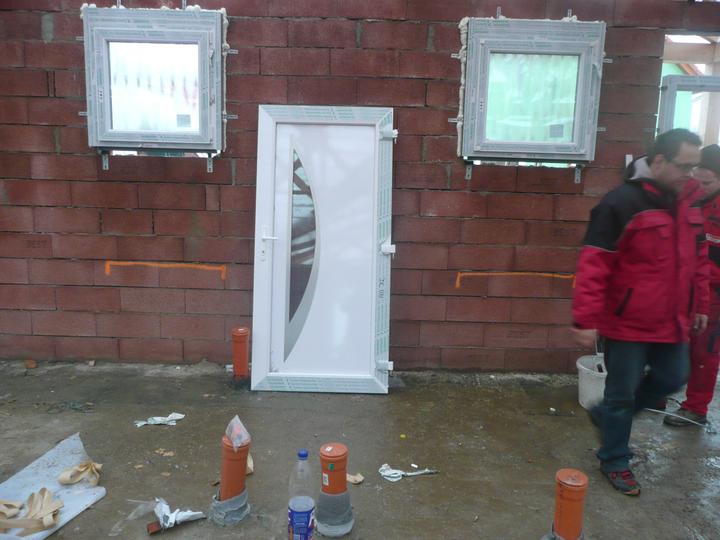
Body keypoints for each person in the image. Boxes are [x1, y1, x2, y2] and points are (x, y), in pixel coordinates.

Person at [571, 128, 708, 496]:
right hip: (627, 323)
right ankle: (615, 459)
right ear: (659, 161)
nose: (690, 175)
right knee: (622, 394)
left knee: (673, 377)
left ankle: (604, 417)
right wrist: (585, 319)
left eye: (694, 167)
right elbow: (593, 264)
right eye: (684, 166)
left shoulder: (689, 202)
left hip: (673, 320)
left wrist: (700, 304)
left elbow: (698, 259)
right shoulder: (620, 204)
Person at [665, 144, 720, 427]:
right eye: (696, 179)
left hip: (713, 296)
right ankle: (659, 393)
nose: (700, 187)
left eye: (707, 183)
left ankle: (696, 408)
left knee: (704, 353)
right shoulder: (686, 200)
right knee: (672, 342)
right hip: (682, 290)